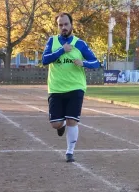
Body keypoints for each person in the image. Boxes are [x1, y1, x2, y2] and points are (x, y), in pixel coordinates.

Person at [42, 12, 101, 163]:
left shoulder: (80, 43)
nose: (63, 28)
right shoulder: (52, 41)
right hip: (56, 88)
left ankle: (70, 152)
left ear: (72, 25)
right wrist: (62, 50)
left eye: (66, 24)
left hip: (76, 87)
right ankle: (60, 126)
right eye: (60, 25)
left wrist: (84, 63)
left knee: (72, 120)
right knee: (56, 123)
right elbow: (44, 60)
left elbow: (97, 63)